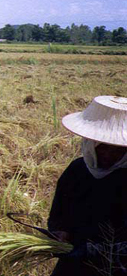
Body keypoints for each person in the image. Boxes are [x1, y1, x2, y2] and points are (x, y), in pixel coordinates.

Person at [48, 95, 127, 276]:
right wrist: (60, 233)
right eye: (103, 147)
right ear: (91, 144)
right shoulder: (77, 170)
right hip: (72, 261)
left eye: (118, 150)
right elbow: (58, 213)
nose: (109, 155)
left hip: (115, 266)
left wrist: (91, 251)